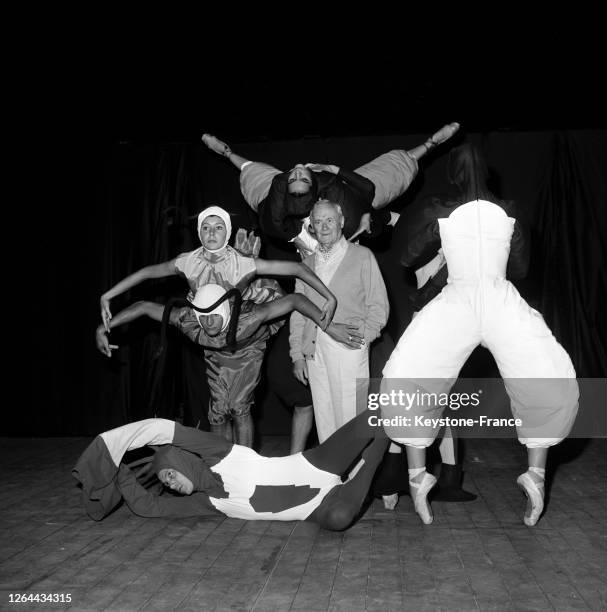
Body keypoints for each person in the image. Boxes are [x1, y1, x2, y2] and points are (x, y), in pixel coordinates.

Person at [380, 142, 579, 526]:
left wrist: (439, 240)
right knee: (542, 370)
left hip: (460, 300)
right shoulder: (509, 211)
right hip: (499, 297)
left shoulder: (441, 209)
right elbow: (520, 268)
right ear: (487, 173)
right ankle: (536, 472)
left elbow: (406, 257)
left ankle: (417, 474)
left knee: (414, 371)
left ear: (453, 174)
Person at [99, 205, 337, 447]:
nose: (211, 233)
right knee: (218, 409)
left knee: (239, 407)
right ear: (199, 233)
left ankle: (244, 467)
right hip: (208, 330)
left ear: (228, 231)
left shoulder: (243, 265)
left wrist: (329, 298)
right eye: (206, 227)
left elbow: (297, 270)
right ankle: (220, 462)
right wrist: (107, 301)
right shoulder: (187, 264)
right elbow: (146, 282)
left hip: (243, 336)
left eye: (218, 227)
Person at [73, 408, 389, 531]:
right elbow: (149, 506)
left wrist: (116, 444)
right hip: (318, 507)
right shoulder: (207, 503)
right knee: (338, 520)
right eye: (165, 483)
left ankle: (423, 385)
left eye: (168, 473)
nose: (170, 484)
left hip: (314, 464)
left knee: (375, 417)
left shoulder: (220, 454)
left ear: (180, 460)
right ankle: (371, 466)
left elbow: (160, 428)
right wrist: (118, 473)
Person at [201, 123, 460, 255]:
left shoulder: (289, 191)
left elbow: (367, 189)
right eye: (298, 175)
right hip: (343, 206)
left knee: (250, 173)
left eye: (297, 174)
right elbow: (366, 191)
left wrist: (332, 169)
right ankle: (431, 145)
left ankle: (227, 152)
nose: (300, 167)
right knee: (394, 174)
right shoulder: (285, 202)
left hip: (341, 199)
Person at [290, 200, 389, 443]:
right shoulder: (306, 265)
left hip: (349, 348)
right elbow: (298, 312)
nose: (323, 227)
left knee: (352, 420)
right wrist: (297, 355)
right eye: (318, 222)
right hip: (314, 349)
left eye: (329, 220)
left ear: (342, 222)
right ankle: (331, 478)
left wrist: (362, 339)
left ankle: (355, 479)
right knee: (325, 419)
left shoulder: (362, 256)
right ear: (311, 227)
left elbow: (379, 306)